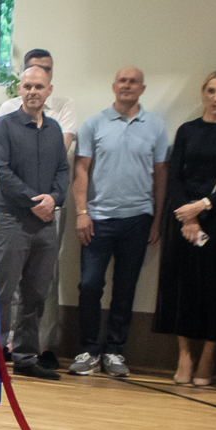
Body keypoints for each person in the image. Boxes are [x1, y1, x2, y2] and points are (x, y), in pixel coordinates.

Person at [70, 66, 168, 379]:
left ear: (142, 88)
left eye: (133, 81)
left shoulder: (156, 126)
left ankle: (114, 351)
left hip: (138, 219)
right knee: (89, 285)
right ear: (114, 86)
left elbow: (161, 174)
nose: (127, 85)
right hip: (97, 219)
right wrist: (81, 212)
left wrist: (157, 219)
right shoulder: (94, 123)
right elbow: (81, 169)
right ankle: (89, 351)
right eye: (122, 80)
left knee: (125, 288)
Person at [153, 71, 216, 387]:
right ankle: (184, 355)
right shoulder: (187, 130)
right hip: (183, 218)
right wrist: (188, 216)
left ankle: (208, 355)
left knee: (215, 288)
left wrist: (203, 206)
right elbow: (174, 176)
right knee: (181, 286)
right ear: (203, 93)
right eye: (211, 90)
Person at [0, 65, 70, 380]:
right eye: (27, 86)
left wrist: (54, 199)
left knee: (36, 293)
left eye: (39, 86)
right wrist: (35, 201)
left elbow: (63, 170)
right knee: (2, 292)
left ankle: (24, 356)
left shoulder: (54, 129)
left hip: (45, 224)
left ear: (49, 91)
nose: (33, 91)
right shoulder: (4, 126)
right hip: (11, 220)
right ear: (20, 90)